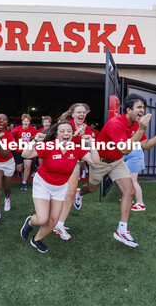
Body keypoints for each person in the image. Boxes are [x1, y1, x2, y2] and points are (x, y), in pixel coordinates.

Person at [74, 94, 156, 247]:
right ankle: (79, 193)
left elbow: (146, 145)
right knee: (91, 188)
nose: (143, 110)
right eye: (139, 107)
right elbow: (125, 149)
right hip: (101, 161)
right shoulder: (115, 123)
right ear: (128, 110)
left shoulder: (136, 124)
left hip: (117, 162)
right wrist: (141, 129)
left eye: (144, 107)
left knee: (129, 191)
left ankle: (121, 230)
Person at [19, 121, 99, 253]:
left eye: (69, 131)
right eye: (62, 131)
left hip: (60, 187)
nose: (66, 133)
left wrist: (92, 144)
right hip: (43, 184)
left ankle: (36, 240)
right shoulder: (48, 146)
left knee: (53, 221)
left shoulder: (76, 148)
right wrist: (34, 140)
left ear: (72, 134)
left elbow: (95, 160)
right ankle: (30, 222)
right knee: (42, 218)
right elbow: (25, 154)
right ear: (56, 135)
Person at [52, 103, 95, 241]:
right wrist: (76, 134)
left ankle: (59, 224)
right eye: (78, 112)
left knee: (70, 192)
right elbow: (57, 140)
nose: (81, 114)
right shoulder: (66, 124)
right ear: (73, 114)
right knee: (56, 190)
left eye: (84, 112)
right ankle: (49, 217)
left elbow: (87, 146)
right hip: (58, 158)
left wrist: (84, 138)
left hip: (74, 160)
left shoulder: (87, 128)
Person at [11, 114, 37, 190]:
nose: (26, 122)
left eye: (27, 121)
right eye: (24, 121)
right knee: (19, 168)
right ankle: (19, 171)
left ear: (29, 122)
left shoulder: (32, 129)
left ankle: (24, 183)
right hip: (18, 150)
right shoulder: (17, 128)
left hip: (27, 150)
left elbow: (36, 137)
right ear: (22, 122)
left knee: (27, 166)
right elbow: (10, 134)